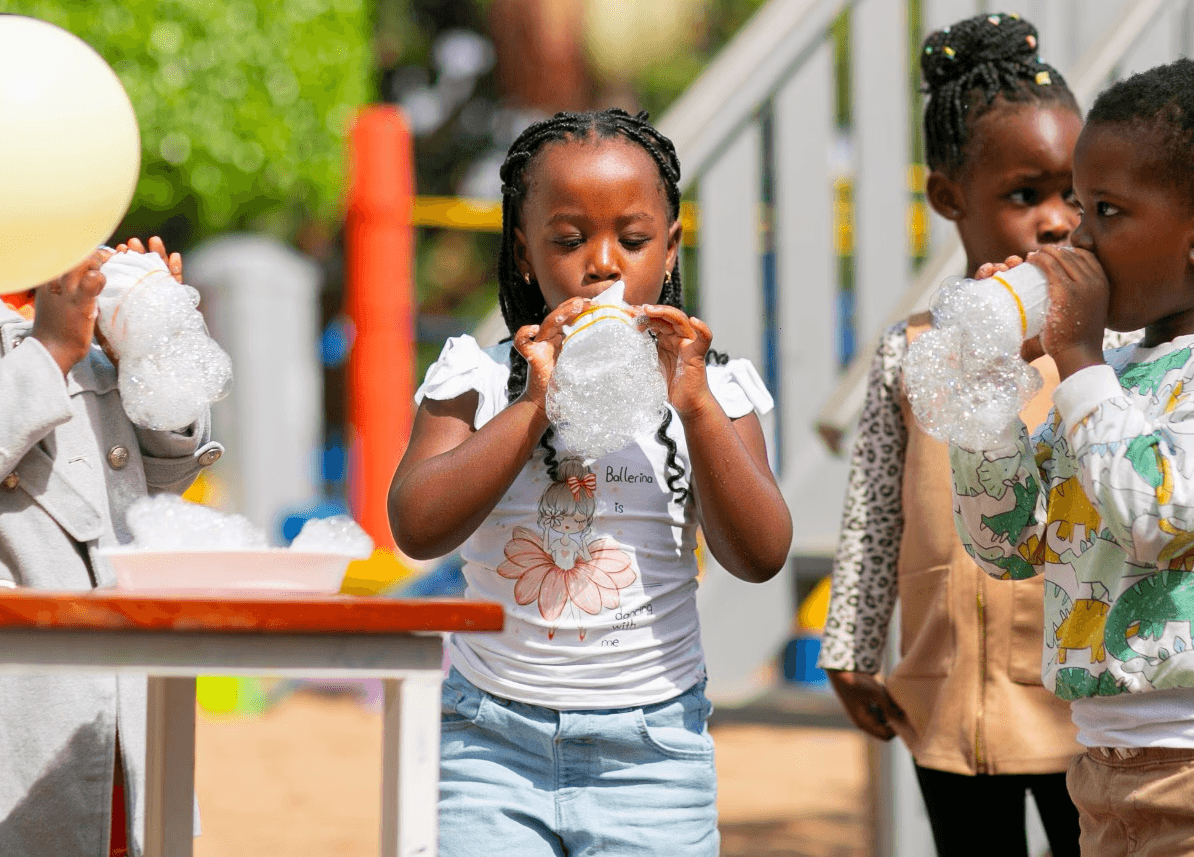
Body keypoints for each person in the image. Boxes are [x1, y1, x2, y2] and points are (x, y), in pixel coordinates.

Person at [387, 107, 792, 857]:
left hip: (652, 752)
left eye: (633, 240)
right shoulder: (477, 379)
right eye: (568, 240)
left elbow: (762, 552)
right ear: (523, 250)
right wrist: (537, 404)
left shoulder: (716, 386)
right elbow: (415, 523)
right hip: (488, 746)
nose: (602, 263)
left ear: (670, 251)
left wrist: (696, 404)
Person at [816, 14, 1130, 856]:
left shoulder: (1111, 350)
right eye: (1026, 195)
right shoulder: (912, 348)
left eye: (1077, 194)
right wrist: (848, 643)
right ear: (950, 198)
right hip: (944, 697)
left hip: (1078, 702)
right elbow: (876, 510)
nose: (1059, 221)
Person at [949, 56, 1194, 856]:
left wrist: (1080, 358)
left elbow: (1159, 515)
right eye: (1079, 205)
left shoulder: (1103, 376)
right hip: (1098, 766)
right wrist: (986, 394)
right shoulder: (1108, 376)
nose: (1077, 235)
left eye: (1109, 210)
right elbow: (1010, 544)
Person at [0, 237, 223, 857]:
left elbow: (161, 486)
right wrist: (47, 352)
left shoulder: (80, 297)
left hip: (129, 701)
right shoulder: (48, 331)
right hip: (24, 709)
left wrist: (154, 346)